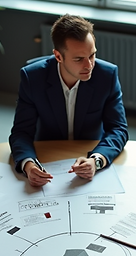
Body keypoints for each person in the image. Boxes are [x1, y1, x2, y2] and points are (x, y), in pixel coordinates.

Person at [9, 15, 128, 187]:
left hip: (90, 152)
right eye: (79, 59)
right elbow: (21, 132)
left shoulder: (107, 76)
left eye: (92, 55)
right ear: (58, 56)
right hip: (47, 156)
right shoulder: (32, 78)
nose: (89, 65)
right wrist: (28, 164)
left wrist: (97, 160)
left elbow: (118, 128)